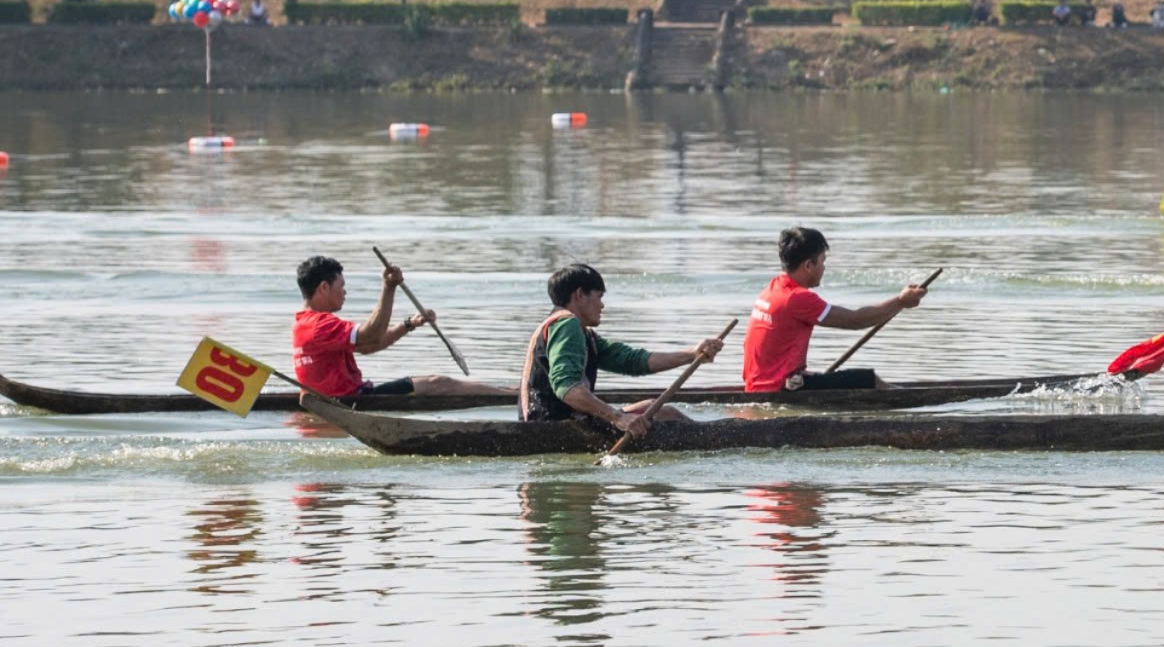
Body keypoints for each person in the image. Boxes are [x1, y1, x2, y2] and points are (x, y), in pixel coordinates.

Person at [520, 264, 727, 438]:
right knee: (667, 414)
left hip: (558, 423)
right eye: (599, 296)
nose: (602, 306)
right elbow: (568, 388)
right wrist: (617, 417)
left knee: (654, 407)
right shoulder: (567, 325)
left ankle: (712, 436)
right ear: (580, 295)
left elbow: (632, 361)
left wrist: (692, 354)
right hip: (551, 429)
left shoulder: (581, 332)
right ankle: (717, 440)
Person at [291, 255, 508, 401]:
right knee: (439, 383)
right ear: (324, 287)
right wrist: (388, 288)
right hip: (351, 401)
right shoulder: (320, 325)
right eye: (342, 286)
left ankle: (508, 393)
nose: (345, 293)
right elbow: (371, 333)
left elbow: (369, 345)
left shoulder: (304, 324)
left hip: (345, 397)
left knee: (436, 382)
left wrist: (409, 324)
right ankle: (511, 396)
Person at [740, 228, 930, 393]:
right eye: (822, 261)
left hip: (759, 384)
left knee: (842, 380)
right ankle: (922, 405)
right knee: (868, 381)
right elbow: (855, 320)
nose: (824, 267)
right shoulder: (797, 298)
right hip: (779, 388)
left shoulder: (773, 288)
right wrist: (900, 301)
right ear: (808, 265)